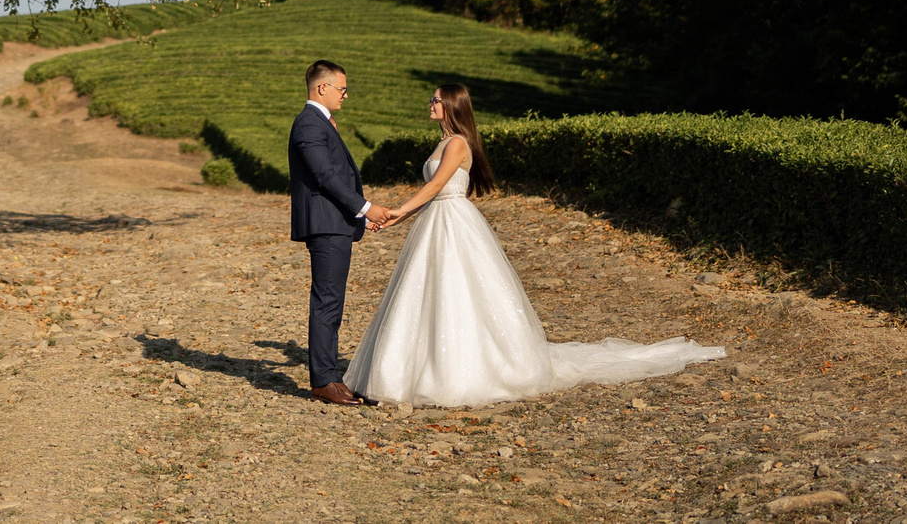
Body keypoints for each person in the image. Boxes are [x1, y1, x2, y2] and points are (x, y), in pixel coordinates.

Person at [344, 83, 724, 406]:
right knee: (428, 294)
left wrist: (395, 209)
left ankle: (459, 370)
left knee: (458, 291)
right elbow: (429, 196)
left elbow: (435, 187)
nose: (431, 104)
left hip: (454, 224)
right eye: (432, 99)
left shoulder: (458, 143)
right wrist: (396, 218)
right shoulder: (443, 142)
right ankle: (421, 366)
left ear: (453, 106)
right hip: (435, 221)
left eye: (437, 100)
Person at [289, 59, 395, 406]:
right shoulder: (309, 123)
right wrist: (364, 207)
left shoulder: (319, 123)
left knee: (332, 301)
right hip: (326, 227)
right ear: (323, 87)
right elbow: (325, 176)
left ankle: (330, 376)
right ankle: (324, 380)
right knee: (327, 302)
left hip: (335, 223)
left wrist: (360, 219)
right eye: (342, 88)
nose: (345, 96)